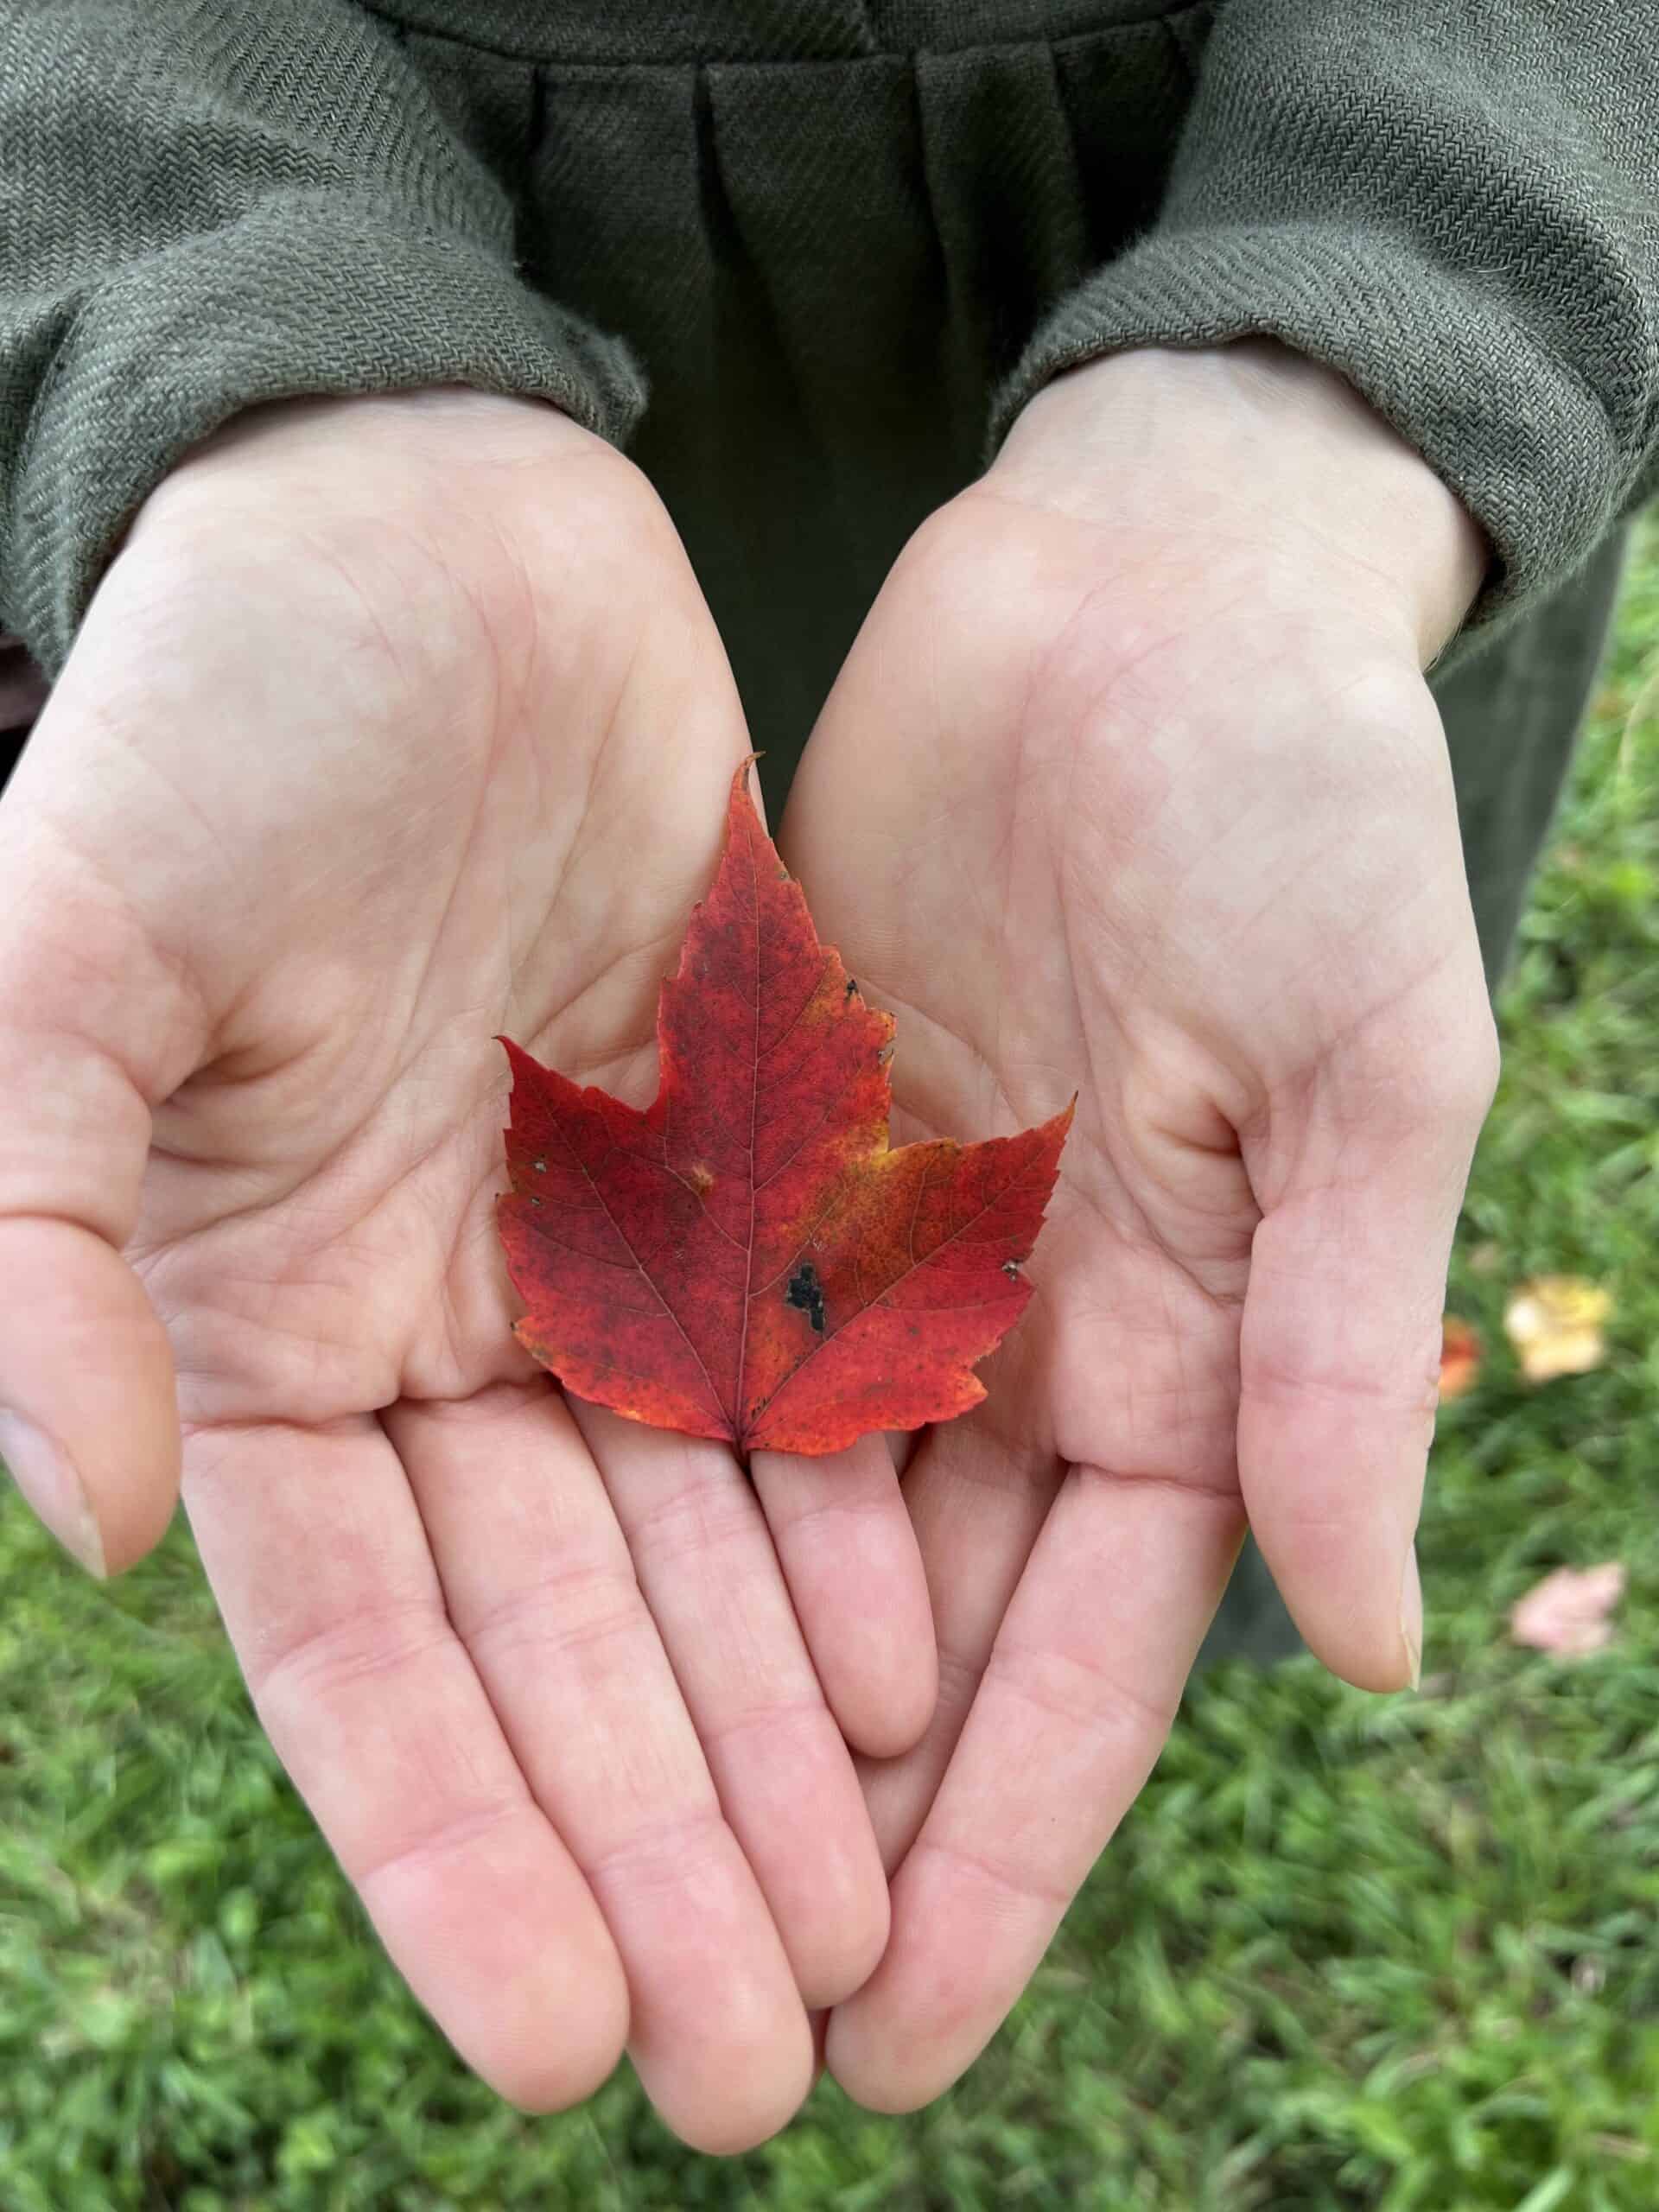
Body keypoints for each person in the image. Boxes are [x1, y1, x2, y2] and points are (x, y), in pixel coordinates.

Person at [0, 0, 1652, 2158]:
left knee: (1171, 1241)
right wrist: (223, 334)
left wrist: (1379, 342)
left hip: (1282, 394)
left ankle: (1158, 1639)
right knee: (1063, 1228)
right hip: (397, 268)